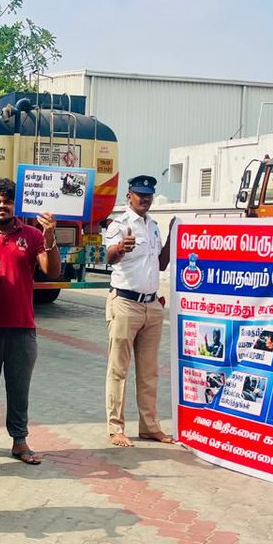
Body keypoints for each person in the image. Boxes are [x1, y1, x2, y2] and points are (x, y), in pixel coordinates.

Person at [0, 177, 60, 466]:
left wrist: (50, 236)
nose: (1, 206)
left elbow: (51, 272)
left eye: (7, 201)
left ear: (14, 204)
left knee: (19, 388)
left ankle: (20, 441)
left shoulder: (31, 235)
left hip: (22, 327)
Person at [102, 174, 174, 447]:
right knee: (118, 369)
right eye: (139, 193)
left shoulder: (154, 226)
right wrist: (121, 247)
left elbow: (161, 265)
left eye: (149, 194)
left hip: (152, 306)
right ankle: (115, 428)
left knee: (149, 371)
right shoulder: (119, 224)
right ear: (128, 195)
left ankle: (149, 426)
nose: (145, 198)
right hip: (125, 304)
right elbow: (110, 257)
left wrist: (171, 238)